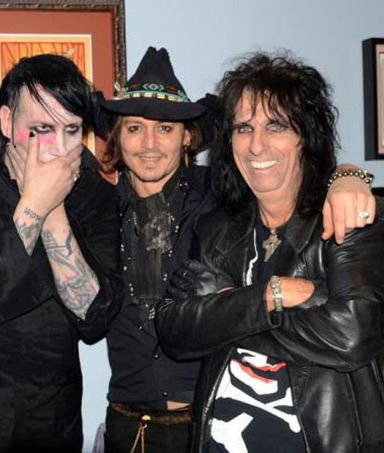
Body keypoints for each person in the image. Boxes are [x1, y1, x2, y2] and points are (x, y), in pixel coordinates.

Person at [98, 47, 377, 453]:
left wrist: (349, 175)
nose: (257, 145)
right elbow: (176, 328)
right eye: (244, 128)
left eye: (276, 126)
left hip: (303, 436)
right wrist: (280, 294)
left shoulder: (339, 218)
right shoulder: (218, 226)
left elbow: (351, 333)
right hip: (188, 431)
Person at [0, 54, 123, 452]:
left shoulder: (97, 196)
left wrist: (53, 210)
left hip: (56, 425)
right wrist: (34, 201)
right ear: (6, 121)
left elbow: (93, 320)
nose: (59, 148)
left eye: (72, 130)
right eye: (41, 129)